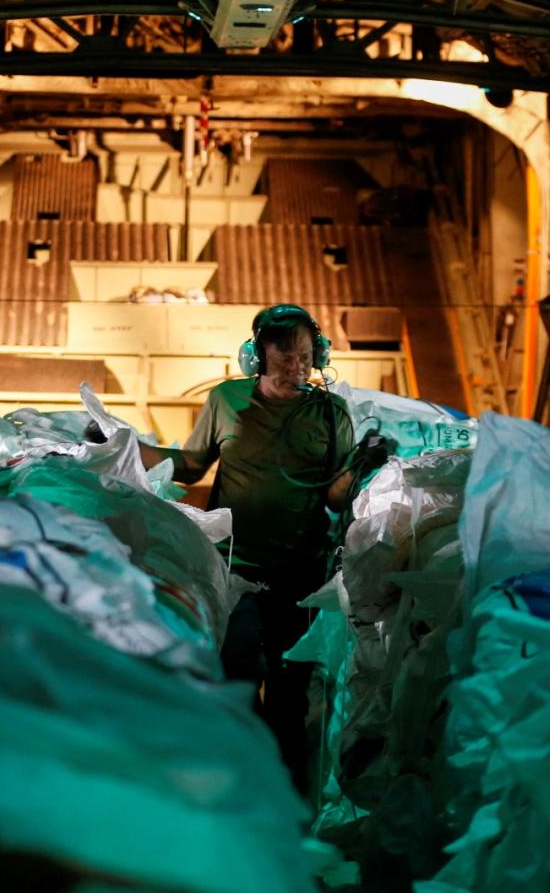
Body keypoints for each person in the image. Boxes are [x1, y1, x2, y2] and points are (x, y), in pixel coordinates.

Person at [136, 304, 380, 790]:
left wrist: (361, 465)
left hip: (302, 576)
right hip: (236, 571)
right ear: (257, 355)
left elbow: (334, 497)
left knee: (290, 698)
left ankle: (286, 804)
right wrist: (122, 445)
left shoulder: (330, 413)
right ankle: (238, 796)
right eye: (285, 355)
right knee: (237, 682)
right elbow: (187, 465)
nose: (297, 367)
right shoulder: (226, 400)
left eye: (306, 356)